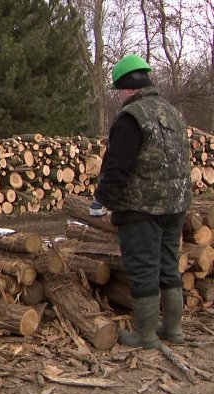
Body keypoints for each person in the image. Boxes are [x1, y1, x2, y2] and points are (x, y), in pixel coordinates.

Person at [93, 54, 192, 349]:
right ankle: (173, 330)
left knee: (143, 268)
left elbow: (117, 166)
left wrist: (101, 200)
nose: (119, 95)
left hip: (141, 208)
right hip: (175, 205)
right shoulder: (172, 112)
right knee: (168, 265)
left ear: (128, 87)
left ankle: (146, 335)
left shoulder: (132, 117)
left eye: (119, 89)